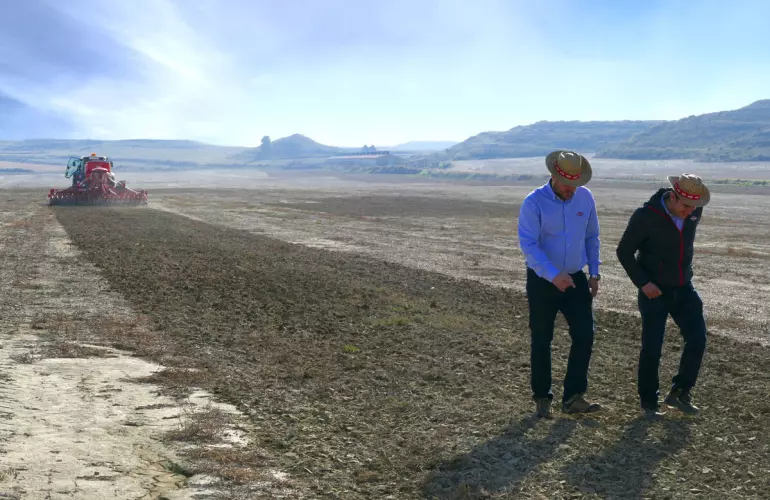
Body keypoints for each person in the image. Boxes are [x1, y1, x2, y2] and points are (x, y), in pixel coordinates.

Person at [615, 173, 710, 420]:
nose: (690, 212)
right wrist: (643, 283)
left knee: (698, 338)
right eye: (686, 206)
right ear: (673, 196)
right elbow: (624, 251)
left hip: (683, 288)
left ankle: (680, 392)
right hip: (654, 291)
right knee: (653, 347)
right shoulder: (645, 217)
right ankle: (648, 402)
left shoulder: (694, 212)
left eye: (694, 207)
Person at [517, 150, 602, 418]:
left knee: (585, 335)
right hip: (543, 281)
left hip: (576, 279)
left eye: (576, 185)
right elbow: (529, 245)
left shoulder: (585, 198)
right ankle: (543, 398)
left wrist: (594, 272)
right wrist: (553, 275)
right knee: (542, 339)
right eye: (567, 185)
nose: (571, 190)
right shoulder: (534, 202)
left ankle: (574, 397)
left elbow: (592, 237)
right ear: (553, 176)